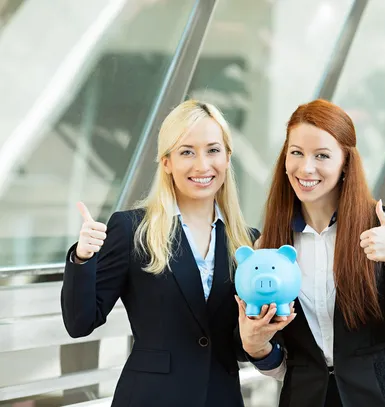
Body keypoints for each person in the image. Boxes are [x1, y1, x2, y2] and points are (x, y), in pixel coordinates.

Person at [61, 100, 264, 406]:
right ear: (166, 161)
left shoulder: (246, 243)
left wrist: (258, 328)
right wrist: (83, 258)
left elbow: (238, 347)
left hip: (220, 397)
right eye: (186, 152)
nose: (202, 165)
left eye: (212, 150)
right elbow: (80, 323)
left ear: (227, 157)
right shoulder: (132, 230)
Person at [236, 99, 385, 407]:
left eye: (322, 156)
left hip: (379, 398)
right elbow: (281, 367)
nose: (306, 168)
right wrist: (255, 343)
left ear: (346, 161)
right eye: (296, 153)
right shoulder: (272, 246)